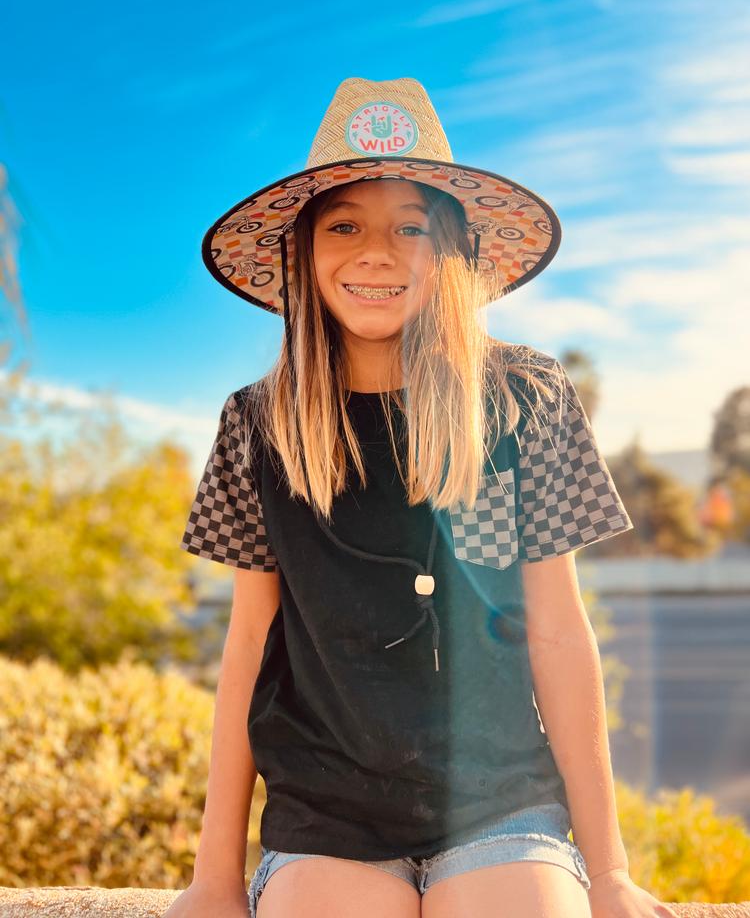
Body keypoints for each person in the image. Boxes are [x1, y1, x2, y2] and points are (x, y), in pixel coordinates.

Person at [165, 78, 678, 918]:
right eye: (345, 226)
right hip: (325, 812)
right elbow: (249, 648)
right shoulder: (256, 425)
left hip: (500, 799)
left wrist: (611, 870)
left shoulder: (528, 398)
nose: (377, 251)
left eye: (412, 227)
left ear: (454, 254)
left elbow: (557, 630)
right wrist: (215, 878)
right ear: (301, 252)